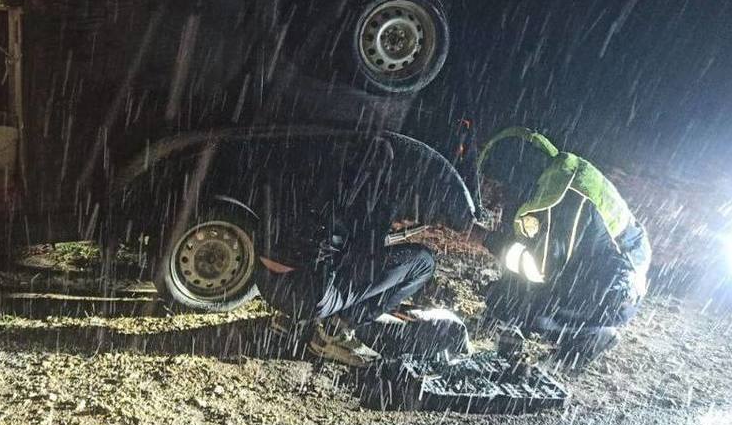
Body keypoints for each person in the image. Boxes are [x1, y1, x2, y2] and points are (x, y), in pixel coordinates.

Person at [253, 134, 479, 367]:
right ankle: (333, 332)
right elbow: (365, 261)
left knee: (324, 253)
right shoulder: (368, 197)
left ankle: (292, 322)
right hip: (305, 295)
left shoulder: (315, 163)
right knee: (422, 262)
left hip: (265, 280)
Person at [475, 126, 651, 368]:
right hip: (589, 267)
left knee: (540, 314)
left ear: (514, 174)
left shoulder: (567, 198)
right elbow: (527, 242)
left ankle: (594, 335)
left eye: (497, 185)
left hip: (615, 290)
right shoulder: (550, 177)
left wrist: (487, 240)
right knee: (506, 298)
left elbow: (542, 268)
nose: (494, 194)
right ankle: (520, 322)